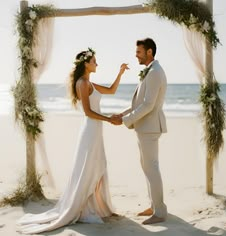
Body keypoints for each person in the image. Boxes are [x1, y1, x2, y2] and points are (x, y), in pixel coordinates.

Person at [17, 48, 129, 234]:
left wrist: (120, 72)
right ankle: (84, 208)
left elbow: (112, 90)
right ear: (86, 63)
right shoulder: (83, 83)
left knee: (98, 164)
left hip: (95, 130)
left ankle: (98, 206)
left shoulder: (90, 83)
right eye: (94, 61)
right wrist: (109, 119)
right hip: (90, 130)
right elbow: (88, 112)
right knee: (88, 168)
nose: (97, 64)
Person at [112, 38, 168, 224]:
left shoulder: (154, 73)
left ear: (149, 52)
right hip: (145, 126)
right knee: (147, 167)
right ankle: (154, 206)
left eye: (139, 52)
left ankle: (160, 212)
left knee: (152, 168)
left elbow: (148, 105)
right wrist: (123, 113)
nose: (136, 55)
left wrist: (126, 120)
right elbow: (139, 103)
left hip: (150, 127)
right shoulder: (151, 71)